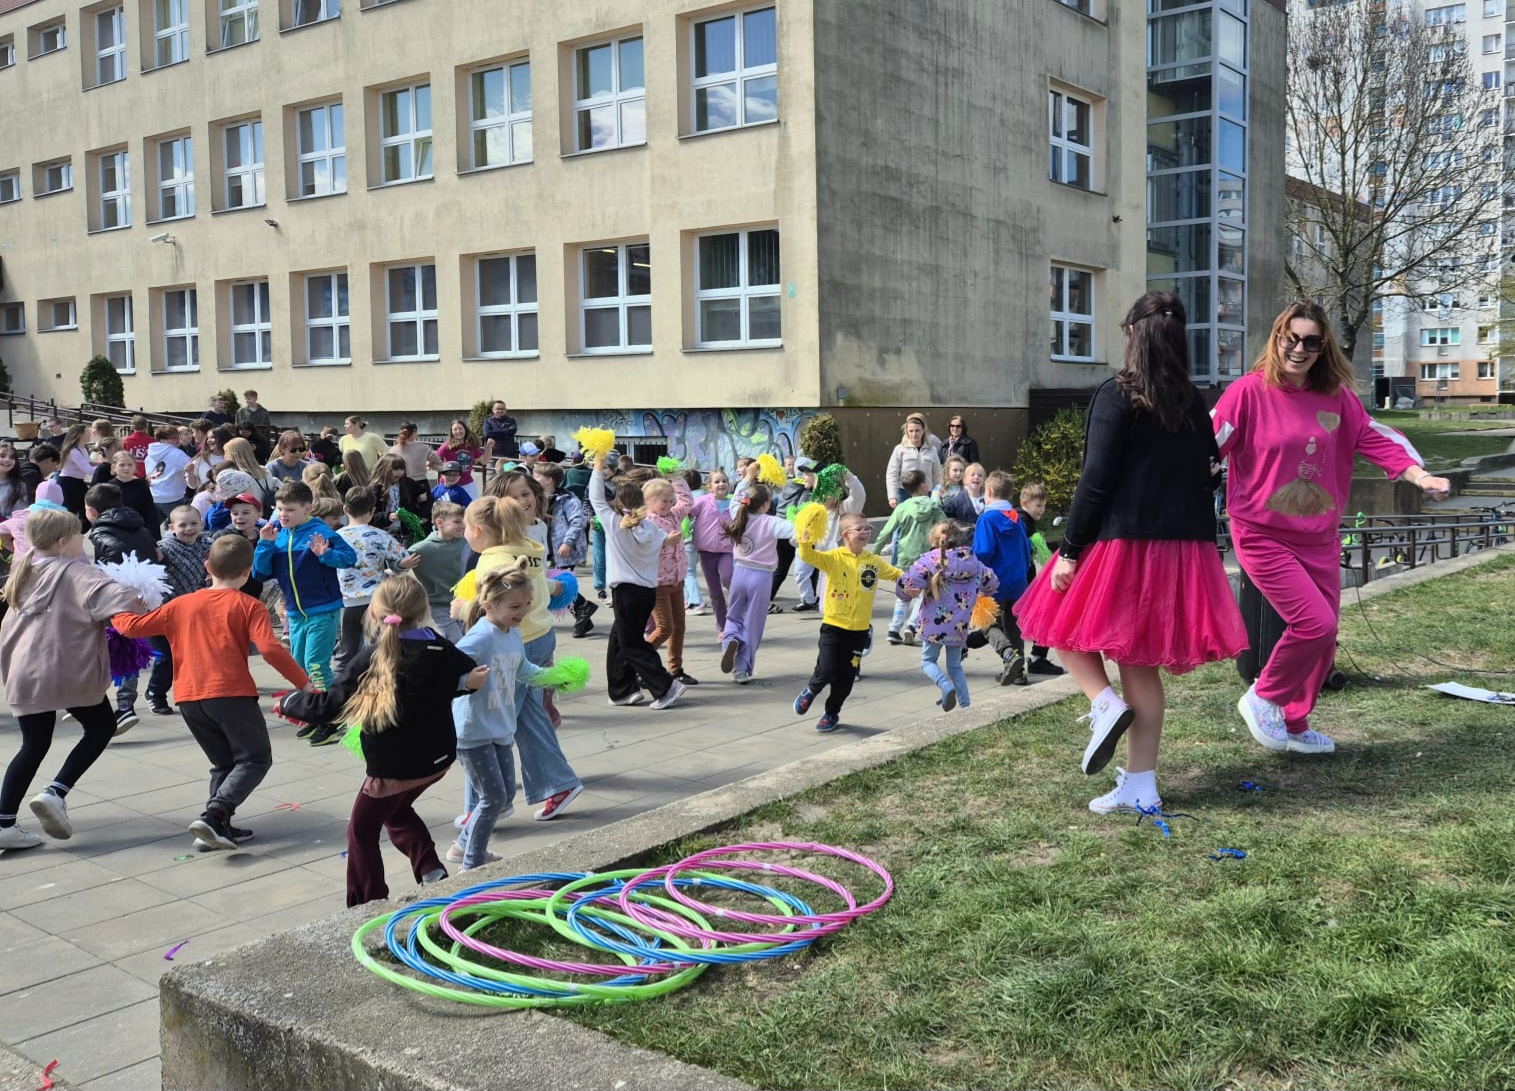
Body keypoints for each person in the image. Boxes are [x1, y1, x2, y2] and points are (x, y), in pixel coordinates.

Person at [1015, 291, 1248, 816]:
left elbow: (1094, 482)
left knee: (1049, 617)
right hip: (1182, 553)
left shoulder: (1117, 395)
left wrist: (1070, 550)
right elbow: (1210, 472)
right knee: (1140, 665)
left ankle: (1102, 704)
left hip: (1121, 542)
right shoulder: (1193, 403)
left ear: (1133, 335)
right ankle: (1141, 784)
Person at [1214, 299, 1450, 756]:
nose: (1299, 349)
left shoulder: (1337, 398)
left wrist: (1420, 475)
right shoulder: (1247, 393)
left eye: (1311, 342)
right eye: (1291, 338)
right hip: (1261, 532)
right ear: (1278, 337)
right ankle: (1264, 695)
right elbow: (1206, 444)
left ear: (1323, 349)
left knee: (1325, 638)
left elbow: (1376, 438)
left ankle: (1296, 721)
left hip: (1319, 536)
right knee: (1314, 623)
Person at [277, 574, 485, 906]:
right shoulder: (438, 644)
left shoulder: (371, 657)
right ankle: (430, 870)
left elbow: (330, 707)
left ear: (374, 614)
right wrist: (462, 683)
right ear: (423, 609)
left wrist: (289, 703)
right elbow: (467, 673)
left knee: (361, 832)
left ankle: (367, 902)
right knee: (397, 813)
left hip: (395, 768)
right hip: (438, 759)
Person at [112, 535, 310, 850]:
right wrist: (303, 682)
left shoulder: (179, 604)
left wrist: (117, 605)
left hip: (189, 698)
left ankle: (216, 828)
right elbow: (271, 648)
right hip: (231, 694)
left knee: (223, 763)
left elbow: (130, 627)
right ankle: (214, 816)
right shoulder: (249, 605)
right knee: (255, 759)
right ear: (248, 573)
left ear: (207, 566)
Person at [0, 507, 149, 850]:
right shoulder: (77, 572)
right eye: (80, 534)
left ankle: (5, 821)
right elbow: (125, 600)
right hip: (68, 670)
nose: (84, 540)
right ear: (65, 541)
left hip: (26, 672)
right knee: (101, 727)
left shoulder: (24, 570)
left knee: (34, 745)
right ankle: (56, 791)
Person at [456, 494, 586, 818]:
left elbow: (489, 604)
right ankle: (556, 783)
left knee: (487, 722)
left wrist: (463, 607)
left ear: (477, 530)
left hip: (510, 643)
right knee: (527, 718)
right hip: (538, 637)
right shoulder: (529, 551)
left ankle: (486, 804)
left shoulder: (490, 561)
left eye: (465, 527)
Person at [449, 564, 575, 868]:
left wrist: (551, 677)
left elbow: (523, 670)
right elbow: (443, 672)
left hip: (501, 728)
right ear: (489, 605)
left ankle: (463, 846)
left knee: (503, 798)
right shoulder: (480, 638)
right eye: (515, 606)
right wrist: (466, 681)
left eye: (527, 604)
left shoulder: (512, 633)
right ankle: (472, 864)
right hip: (473, 732)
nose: (523, 611)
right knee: (492, 799)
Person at [252, 480, 357, 744]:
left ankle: (333, 718)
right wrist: (264, 544)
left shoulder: (319, 531)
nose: (283, 515)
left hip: (323, 610)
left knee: (316, 666)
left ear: (307, 508)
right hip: (296, 614)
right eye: (279, 509)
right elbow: (260, 573)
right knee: (299, 667)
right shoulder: (277, 534)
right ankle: (315, 715)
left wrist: (326, 554)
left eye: (289, 510)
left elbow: (350, 558)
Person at [587, 451, 686, 709]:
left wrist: (597, 468)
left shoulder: (613, 522)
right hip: (646, 592)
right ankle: (622, 690)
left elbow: (595, 497)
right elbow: (662, 541)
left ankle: (666, 686)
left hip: (626, 591)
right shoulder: (651, 527)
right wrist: (670, 541)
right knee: (619, 640)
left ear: (618, 502)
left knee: (631, 644)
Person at [793, 513, 904, 733]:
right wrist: (805, 538)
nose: (865, 532)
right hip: (833, 627)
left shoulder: (872, 562)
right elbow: (808, 556)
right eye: (859, 529)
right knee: (826, 670)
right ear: (845, 534)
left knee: (846, 679)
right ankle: (811, 690)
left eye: (867, 528)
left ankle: (831, 713)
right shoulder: (834, 557)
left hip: (859, 631)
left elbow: (895, 574)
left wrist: (917, 579)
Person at [85, 482, 162, 733]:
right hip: (141, 594)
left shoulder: (100, 532)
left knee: (111, 646)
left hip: (115, 596)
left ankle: (112, 705)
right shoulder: (137, 525)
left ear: (92, 511)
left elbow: (107, 565)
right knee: (127, 645)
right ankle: (118, 704)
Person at [898, 521, 999, 711]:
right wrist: (982, 592)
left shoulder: (929, 560)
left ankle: (945, 686)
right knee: (955, 667)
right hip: (959, 624)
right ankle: (966, 706)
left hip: (934, 624)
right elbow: (992, 582)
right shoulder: (973, 561)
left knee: (928, 661)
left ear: (932, 540)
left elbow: (908, 582)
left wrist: (903, 592)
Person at [335, 487, 420, 684]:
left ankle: (338, 690)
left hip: (346, 600)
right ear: (372, 511)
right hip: (376, 600)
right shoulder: (380, 535)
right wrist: (399, 566)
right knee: (378, 647)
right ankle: (379, 685)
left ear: (345, 509)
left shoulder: (336, 536)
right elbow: (402, 559)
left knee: (346, 649)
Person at [717, 483, 797, 684]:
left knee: (733, 614)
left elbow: (736, 496)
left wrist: (747, 479)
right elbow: (794, 531)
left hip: (740, 573)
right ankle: (741, 669)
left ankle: (730, 641)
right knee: (753, 623)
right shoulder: (771, 522)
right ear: (765, 505)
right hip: (761, 577)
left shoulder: (738, 514)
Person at [145, 504, 210, 716]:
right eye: (183, 525)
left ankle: (192, 693)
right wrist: (155, 558)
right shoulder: (164, 548)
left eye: (194, 523)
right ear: (172, 527)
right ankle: (155, 694)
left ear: (201, 523)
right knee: (166, 656)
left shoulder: (207, 544)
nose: (189, 528)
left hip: (190, 611)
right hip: (160, 612)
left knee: (191, 655)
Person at [972, 471, 1034, 687]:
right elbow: (1027, 549)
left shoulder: (987, 519)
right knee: (1013, 627)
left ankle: (1009, 656)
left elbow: (983, 551)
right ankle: (1019, 673)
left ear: (988, 491)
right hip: (1017, 583)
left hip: (993, 583)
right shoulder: (1017, 520)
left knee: (986, 623)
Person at [878, 470, 945, 644]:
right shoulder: (933, 506)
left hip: (904, 557)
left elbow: (887, 532)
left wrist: (873, 552)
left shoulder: (902, 507)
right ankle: (912, 625)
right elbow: (945, 527)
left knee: (904, 593)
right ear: (923, 486)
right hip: (926, 558)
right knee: (924, 594)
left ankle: (894, 628)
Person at [644, 475, 696, 685]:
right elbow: (643, 549)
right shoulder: (647, 522)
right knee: (664, 628)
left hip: (676, 579)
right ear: (649, 501)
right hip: (658, 583)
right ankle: (637, 662)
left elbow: (687, 502)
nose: (668, 505)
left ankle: (676, 669)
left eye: (669, 500)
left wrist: (676, 478)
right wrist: (665, 542)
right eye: (662, 501)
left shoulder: (674, 515)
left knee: (679, 627)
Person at [533, 461, 596, 637]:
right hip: (547, 550)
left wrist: (567, 543)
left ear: (548, 480)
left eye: (536, 477)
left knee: (561, 585)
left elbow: (578, 521)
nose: (533, 479)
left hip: (565, 551)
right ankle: (583, 615)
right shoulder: (539, 498)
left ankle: (583, 607)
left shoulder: (568, 499)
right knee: (556, 585)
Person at [1012, 482, 1063, 677]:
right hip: (1023, 580)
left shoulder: (1021, 519)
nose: (1042, 510)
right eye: (1038, 506)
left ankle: (1037, 657)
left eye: (1043, 506)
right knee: (1041, 617)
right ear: (1025, 502)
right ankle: (1036, 659)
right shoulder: (1022, 521)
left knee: (1015, 621)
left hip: (1024, 579)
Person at [408, 499, 468, 641]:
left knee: (468, 638)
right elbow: (398, 562)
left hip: (464, 602)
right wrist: (401, 564)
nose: (463, 526)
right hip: (440, 605)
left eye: (464, 521)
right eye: (457, 522)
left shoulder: (466, 543)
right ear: (440, 523)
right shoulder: (423, 549)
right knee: (456, 641)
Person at [689, 467, 734, 631]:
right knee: (715, 592)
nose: (721, 484)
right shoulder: (702, 501)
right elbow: (688, 513)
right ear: (710, 487)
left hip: (727, 550)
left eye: (724, 481)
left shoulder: (734, 502)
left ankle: (738, 604)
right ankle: (722, 627)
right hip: (706, 551)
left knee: (728, 577)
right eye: (717, 481)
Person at [777, 457, 819, 611]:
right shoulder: (804, 490)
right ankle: (809, 600)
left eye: (807, 473)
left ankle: (815, 600)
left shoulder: (816, 493)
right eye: (802, 473)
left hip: (818, 540)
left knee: (809, 572)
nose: (802, 477)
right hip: (804, 539)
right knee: (801, 572)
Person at [884, 413, 942, 507]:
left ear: (923, 431)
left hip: (926, 494)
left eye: (917, 430)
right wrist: (892, 496)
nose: (914, 434)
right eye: (911, 431)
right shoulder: (899, 449)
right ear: (907, 431)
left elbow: (937, 475)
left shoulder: (932, 450)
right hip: (904, 493)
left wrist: (937, 494)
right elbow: (892, 474)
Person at [93, 451, 158, 531]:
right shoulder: (108, 487)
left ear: (135, 466)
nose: (126, 468)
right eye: (122, 465)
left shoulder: (141, 486)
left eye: (130, 465)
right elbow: (103, 513)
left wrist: (154, 535)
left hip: (139, 530)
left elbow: (150, 512)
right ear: (114, 467)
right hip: (116, 530)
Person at [393, 422, 441, 526]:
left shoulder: (394, 449)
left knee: (405, 514)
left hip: (402, 484)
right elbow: (438, 462)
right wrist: (428, 464)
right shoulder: (423, 447)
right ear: (415, 432)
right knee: (425, 516)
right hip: (420, 483)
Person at [146, 425, 192, 527]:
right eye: (173, 437)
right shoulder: (176, 453)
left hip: (154, 496)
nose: (177, 440)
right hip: (173, 498)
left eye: (177, 436)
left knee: (152, 529)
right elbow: (193, 466)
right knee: (182, 527)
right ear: (162, 440)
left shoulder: (150, 453)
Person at [222, 437, 276, 515]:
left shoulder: (237, 477)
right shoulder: (265, 470)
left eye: (226, 452)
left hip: (249, 517)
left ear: (232, 454)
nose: (224, 456)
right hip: (267, 514)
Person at [438, 419, 486, 500]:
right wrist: (444, 470)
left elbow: (484, 461)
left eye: (460, 428)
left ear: (465, 429)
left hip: (467, 483)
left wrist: (490, 447)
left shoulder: (471, 446)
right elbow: (432, 460)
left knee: (472, 509)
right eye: (455, 429)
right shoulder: (446, 446)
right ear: (451, 432)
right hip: (449, 484)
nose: (458, 431)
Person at [55, 423, 93, 521]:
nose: (90, 434)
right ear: (80, 435)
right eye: (87, 432)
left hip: (78, 482)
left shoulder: (83, 448)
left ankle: (78, 531)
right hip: (68, 483)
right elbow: (88, 470)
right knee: (70, 512)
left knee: (85, 509)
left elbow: (88, 463)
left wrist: (102, 463)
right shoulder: (73, 451)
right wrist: (105, 467)